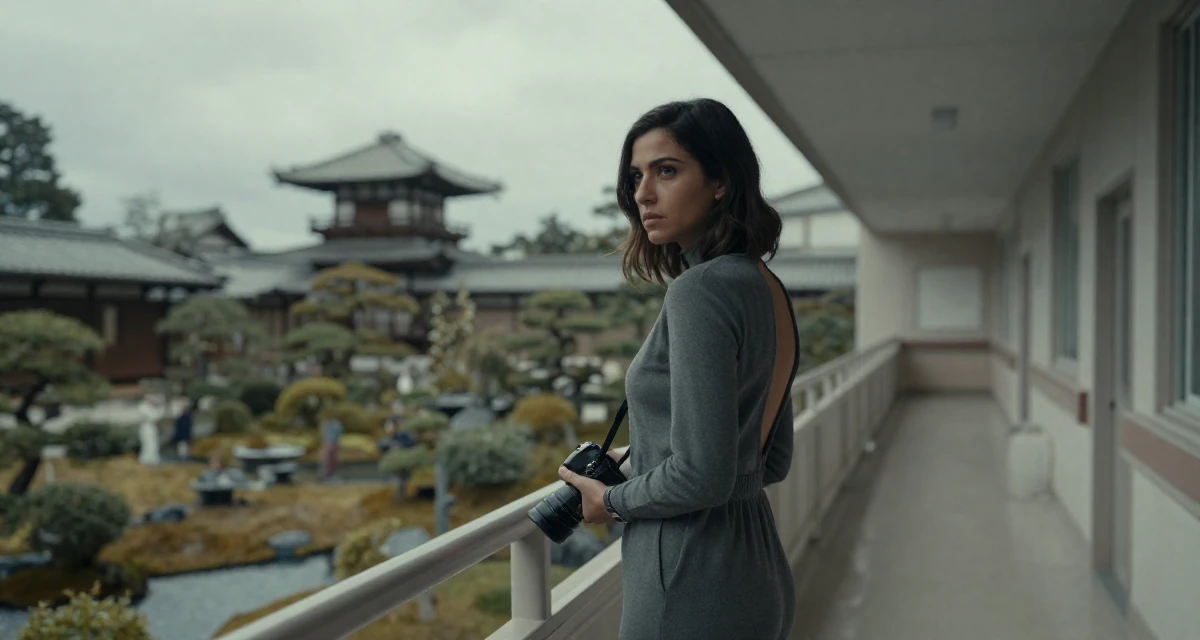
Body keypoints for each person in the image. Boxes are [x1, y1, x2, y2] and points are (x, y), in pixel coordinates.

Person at [557, 98, 800, 640]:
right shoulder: (765, 286)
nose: (643, 193)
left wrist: (611, 500)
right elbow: (771, 458)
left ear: (720, 181)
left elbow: (702, 474)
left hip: (688, 578)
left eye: (667, 171)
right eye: (636, 176)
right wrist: (648, 453)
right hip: (756, 566)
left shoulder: (700, 290)